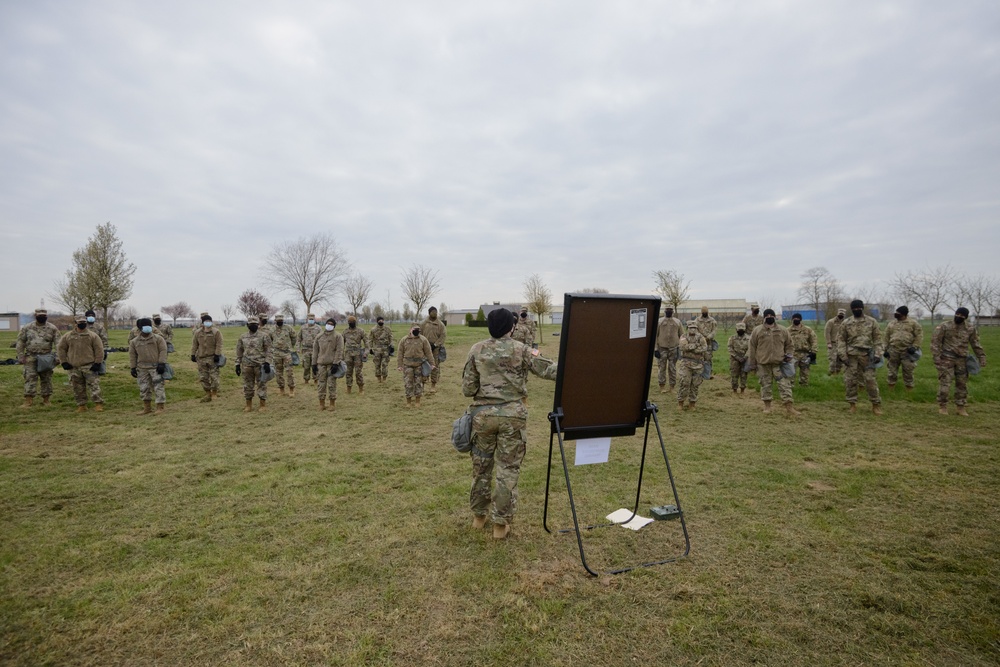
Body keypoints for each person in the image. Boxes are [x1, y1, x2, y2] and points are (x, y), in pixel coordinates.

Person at [462, 307, 557, 539]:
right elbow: (549, 370)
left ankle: (478, 517)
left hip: (483, 417)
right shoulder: (522, 349)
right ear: (511, 327)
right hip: (512, 417)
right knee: (507, 470)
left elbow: (468, 389)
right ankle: (500, 526)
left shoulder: (476, 350)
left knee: (481, 468)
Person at [931, 307, 987, 416]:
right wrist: (936, 358)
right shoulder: (945, 326)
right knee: (945, 383)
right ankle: (943, 406)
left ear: (965, 317)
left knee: (962, 384)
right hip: (946, 359)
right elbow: (935, 342)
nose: (959, 316)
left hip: (962, 360)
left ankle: (960, 407)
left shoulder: (970, 328)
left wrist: (981, 357)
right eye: (958, 314)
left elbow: (975, 344)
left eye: (962, 315)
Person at [748, 308, 799, 415]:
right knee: (765, 385)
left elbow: (789, 345)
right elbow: (752, 347)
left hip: (779, 364)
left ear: (775, 317)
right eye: (768, 316)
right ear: (764, 317)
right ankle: (767, 407)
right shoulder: (757, 330)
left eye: (772, 316)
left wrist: (789, 355)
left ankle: (789, 407)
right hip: (763, 364)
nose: (770, 318)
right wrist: (752, 364)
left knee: (785, 385)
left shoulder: (782, 330)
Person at [837, 299, 883, 415]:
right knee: (850, 381)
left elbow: (878, 339)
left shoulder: (872, 322)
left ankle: (875, 405)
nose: (856, 310)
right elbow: (841, 340)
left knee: (870, 380)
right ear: (851, 310)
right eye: (854, 309)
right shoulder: (846, 323)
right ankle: (852, 404)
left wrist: (878, 354)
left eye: (858, 308)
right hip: (850, 356)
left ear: (862, 308)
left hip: (867, 356)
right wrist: (843, 356)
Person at [57, 315, 105, 413]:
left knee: (94, 386)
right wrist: (64, 362)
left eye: (84, 322)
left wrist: (98, 362)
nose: (82, 324)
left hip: (89, 366)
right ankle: (81, 405)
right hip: (74, 366)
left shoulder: (93, 336)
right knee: (77, 387)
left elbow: (99, 349)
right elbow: (61, 349)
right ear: (76, 323)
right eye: (80, 322)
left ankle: (98, 404)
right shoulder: (68, 336)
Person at [16, 308, 60, 407]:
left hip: (46, 357)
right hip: (31, 357)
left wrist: (58, 357)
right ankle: (28, 400)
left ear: (46, 316)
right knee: (30, 378)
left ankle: (46, 400)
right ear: (35, 315)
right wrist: (20, 355)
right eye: (39, 315)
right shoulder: (27, 327)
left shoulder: (52, 328)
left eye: (44, 316)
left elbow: (58, 343)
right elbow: (20, 342)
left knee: (46, 379)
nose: (42, 317)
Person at [128, 317, 168, 414]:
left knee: (158, 387)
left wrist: (162, 363)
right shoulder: (134, 342)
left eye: (149, 326)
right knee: (144, 388)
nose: (147, 328)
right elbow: (132, 355)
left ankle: (160, 407)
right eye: (145, 326)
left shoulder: (158, 339)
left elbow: (163, 351)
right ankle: (147, 408)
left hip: (156, 367)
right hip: (142, 368)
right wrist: (133, 367)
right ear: (140, 328)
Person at [235, 316, 273, 413]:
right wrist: (237, 364)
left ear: (258, 325)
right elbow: (239, 351)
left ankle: (262, 405)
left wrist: (268, 362)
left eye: (255, 324)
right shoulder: (242, 337)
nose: (253, 326)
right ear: (247, 325)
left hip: (260, 365)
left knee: (261, 384)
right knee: (248, 385)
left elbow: (269, 350)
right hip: (247, 365)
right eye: (251, 325)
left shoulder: (264, 336)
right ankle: (248, 405)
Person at [884, 305, 923, 391]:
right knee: (892, 371)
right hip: (893, 350)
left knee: (908, 371)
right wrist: (885, 349)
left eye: (898, 313)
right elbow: (886, 337)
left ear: (904, 314)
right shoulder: (891, 323)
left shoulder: (913, 323)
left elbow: (919, 336)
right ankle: (891, 390)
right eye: (896, 313)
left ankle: (909, 391)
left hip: (907, 351)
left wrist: (914, 347)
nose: (896, 315)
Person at [397, 323, 435, 407]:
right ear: (410, 330)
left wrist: (432, 363)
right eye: (415, 330)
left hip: (419, 365)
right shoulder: (404, 340)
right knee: (408, 383)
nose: (417, 332)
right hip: (407, 365)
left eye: (418, 330)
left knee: (419, 383)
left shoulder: (423, 340)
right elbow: (400, 353)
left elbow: (428, 352)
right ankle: (409, 401)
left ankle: (418, 400)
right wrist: (400, 365)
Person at [312, 317, 344, 410]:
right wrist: (313, 364)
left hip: (332, 365)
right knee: (321, 384)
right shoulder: (319, 336)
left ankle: (332, 403)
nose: (329, 325)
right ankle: (321, 403)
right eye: (328, 323)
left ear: (334, 326)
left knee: (331, 384)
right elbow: (315, 351)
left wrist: (336, 363)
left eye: (331, 324)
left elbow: (339, 350)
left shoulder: (338, 336)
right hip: (321, 364)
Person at [191, 312, 223, 402]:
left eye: (209, 321)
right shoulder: (197, 333)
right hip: (201, 358)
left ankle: (214, 393)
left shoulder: (216, 332)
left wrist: (217, 354)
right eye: (206, 321)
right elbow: (194, 344)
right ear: (203, 322)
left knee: (214, 377)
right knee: (203, 377)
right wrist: (193, 354)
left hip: (212, 358)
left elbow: (219, 344)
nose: (207, 322)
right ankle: (208, 393)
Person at [676, 321, 707, 411]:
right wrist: (696, 346)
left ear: (697, 328)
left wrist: (693, 349)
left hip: (698, 364)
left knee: (695, 384)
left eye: (694, 328)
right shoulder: (683, 337)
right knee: (684, 382)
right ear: (687, 328)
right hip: (686, 363)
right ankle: (680, 402)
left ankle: (692, 403)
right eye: (690, 327)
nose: (692, 329)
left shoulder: (701, 337)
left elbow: (704, 348)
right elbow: (683, 347)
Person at [655, 306, 683, 393]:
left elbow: (682, 336)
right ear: (664, 311)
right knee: (662, 368)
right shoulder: (659, 321)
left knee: (672, 368)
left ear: (673, 311)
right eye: (667, 310)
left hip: (673, 349)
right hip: (661, 348)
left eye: (670, 310)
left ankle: (672, 387)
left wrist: (681, 348)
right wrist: (655, 349)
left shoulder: (677, 322)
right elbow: (655, 336)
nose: (669, 311)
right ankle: (662, 386)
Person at [420, 306, 447, 393]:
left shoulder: (440, 324)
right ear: (429, 313)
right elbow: (419, 334)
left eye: (436, 312)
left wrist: (435, 344)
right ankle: (423, 383)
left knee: (434, 366)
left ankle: (433, 385)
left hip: (435, 349)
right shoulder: (424, 323)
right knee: (423, 365)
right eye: (433, 312)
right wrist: (424, 344)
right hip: (424, 349)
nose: (434, 313)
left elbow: (443, 336)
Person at [788, 313, 818, 386]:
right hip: (793, 354)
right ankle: (790, 386)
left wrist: (814, 352)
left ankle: (804, 385)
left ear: (801, 320)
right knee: (791, 371)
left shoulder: (807, 330)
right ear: (792, 319)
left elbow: (814, 340)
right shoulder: (788, 330)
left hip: (805, 354)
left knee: (805, 372)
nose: (796, 320)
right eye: (794, 318)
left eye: (798, 318)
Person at [271, 314, 297, 397]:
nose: (280, 322)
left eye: (281, 321)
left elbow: (294, 337)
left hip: (287, 353)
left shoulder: (288, 328)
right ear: (275, 321)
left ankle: (291, 389)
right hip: (276, 354)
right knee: (278, 373)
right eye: (278, 321)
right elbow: (270, 340)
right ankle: (281, 389)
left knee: (289, 372)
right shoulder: (272, 330)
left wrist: (290, 346)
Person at [342, 315, 367, 394]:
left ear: (355, 322)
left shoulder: (361, 331)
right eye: (350, 322)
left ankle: (361, 388)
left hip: (358, 354)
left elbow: (367, 342)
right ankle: (349, 387)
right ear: (348, 323)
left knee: (358, 372)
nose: (351, 323)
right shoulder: (345, 332)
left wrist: (366, 352)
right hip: (348, 354)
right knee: (348, 372)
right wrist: (341, 354)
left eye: (353, 322)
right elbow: (341, 344)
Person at [298, 313, 321, 385]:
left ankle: (316, 379)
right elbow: (299, 338)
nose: (311, 320)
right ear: (307, 319)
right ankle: (306, 380)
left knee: (315, 365)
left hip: (315, 350)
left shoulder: (318, 328)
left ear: (314, 319)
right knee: (306, 366)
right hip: (305, 350)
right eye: (310, 319)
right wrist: (298, 348)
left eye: (312, 319)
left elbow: (322, 339)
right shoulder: (303, 328)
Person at [369, 316, 393, 383]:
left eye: (382, 320)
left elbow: (390, 337)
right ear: (377, 321)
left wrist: (391, 346)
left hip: (385, 349)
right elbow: (370, 339)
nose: (381, 322)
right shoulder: (373, 330)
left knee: (384, 364)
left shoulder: (387, 329)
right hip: (376, 350)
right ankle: (378, 378)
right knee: (377, 364)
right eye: (379, 320)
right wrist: (370, 348)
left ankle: (384, 378)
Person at [728, 322, 750, 395]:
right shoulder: (732, 338)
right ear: (736, 329)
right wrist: (737, 357)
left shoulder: (749, 338)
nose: (740, 331)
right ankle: (734, 390)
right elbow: (730, 348)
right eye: (739, 329)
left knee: (744, 375)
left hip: (745, 359)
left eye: (742, 329)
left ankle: (742, 390)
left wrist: (745, 357)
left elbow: (750, 349)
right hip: (734, 360)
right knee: (734, 375)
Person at [694, 306, 718, 375]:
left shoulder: (712, 320)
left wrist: (709, 337)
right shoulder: (697, 320)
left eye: (706, 312)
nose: (704, 313)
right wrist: (701, 337)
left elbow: (714, 330)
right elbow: (695, 330)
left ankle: (708, 373)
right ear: (701, 312)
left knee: (708, 358)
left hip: (709, 343)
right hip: (699, 343)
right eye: (703, 312)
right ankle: (699, 373)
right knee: (699, 357)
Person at [825, 308, 847, 375]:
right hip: (833, 343)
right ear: (837, 313)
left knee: (841, 360)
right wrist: (828, 343)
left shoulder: (845, 322)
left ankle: (838, 373)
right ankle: (832, 373)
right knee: (833, 359)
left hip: (842, 344)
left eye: (842, 314)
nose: (841, 315)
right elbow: (827, 332)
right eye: (840, 313)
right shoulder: (831, 322)